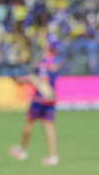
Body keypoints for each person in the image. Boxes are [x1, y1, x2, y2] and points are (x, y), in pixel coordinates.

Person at [9, 35, 61, 166]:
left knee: (29, 121)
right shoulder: (55, 60)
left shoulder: (44, 61)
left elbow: (41, 80)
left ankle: (21, 150)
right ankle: (53, 155)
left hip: (40, 97)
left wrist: (26, 80)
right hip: (51, 97)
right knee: (48, 125)